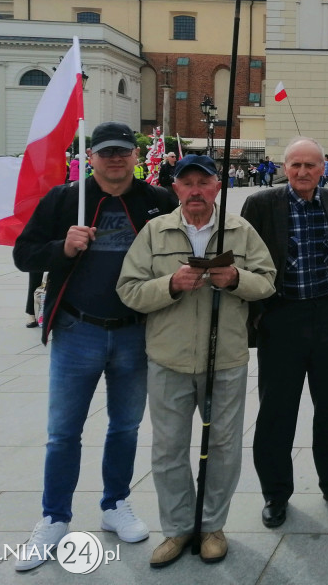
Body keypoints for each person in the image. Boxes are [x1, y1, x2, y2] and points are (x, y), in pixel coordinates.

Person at [11, 122, 177, 571]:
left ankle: (114, 504)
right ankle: (54, 517)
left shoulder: (156, 201)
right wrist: (62, 248)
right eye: (106, 152)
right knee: (64, 431)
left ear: (133, 156)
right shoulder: (65, 200)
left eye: (123, 151)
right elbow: (23, 253)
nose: (116, 159)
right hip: (77, 330)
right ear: (92, 157)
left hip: (135, 331)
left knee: (125, 427)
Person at [117, 155, 276, 567]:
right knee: (168, 448)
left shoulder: (240, 231)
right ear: (175, 190)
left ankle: (211, 526)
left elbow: (268, 280)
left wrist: (237, 280)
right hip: (168, 357)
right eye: (186, 183)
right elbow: (129, 289)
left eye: (203, 183)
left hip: (225, 357)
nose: (195, 191)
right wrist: (169, 284)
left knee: (223, 445)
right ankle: (176, 529)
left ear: (217, 187)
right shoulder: (155, 231)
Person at [242, 138, 328, 528]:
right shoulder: (262, 204)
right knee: (277, 410)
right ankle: (275, 492)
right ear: (284, 166)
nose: (302, 172)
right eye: (295, 165)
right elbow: (248, 257)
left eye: (310, 165)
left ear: (322, 168)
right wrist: (259, 316)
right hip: (282, 317)